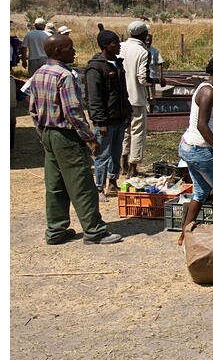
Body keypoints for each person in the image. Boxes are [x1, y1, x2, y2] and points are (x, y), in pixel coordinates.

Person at [28, 33, 122, 245]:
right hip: (67, 136)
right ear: (58, 51)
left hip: (49, 135)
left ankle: (56, 230)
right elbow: (73, 112)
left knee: (56, 185)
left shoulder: (39, 73)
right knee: (82, 184)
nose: (74, 51)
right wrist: (90, 138)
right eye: (70, 48)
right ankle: (94, 231)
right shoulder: (65, 76)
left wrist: (43, 134)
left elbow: (33, 109)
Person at [177, 56, 213, 245]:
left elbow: (206, 118)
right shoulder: (208, 93)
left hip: (189, 146)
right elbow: (202, 126)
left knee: (201, 191)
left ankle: (184, 235)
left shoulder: (210, 89)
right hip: (198, 149)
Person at [85, 27, 132, 200]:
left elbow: (123, 92)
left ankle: (113, 183)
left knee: (115, 152)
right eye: (115, 43)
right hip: (105, 121)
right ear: (105, 45)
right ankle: (99, 188)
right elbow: (94, 98)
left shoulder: (118, 65)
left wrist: (127, 112)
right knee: (102, 154)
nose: (119, 45)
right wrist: (100, 121)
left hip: (119, 118)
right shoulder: (95, 68)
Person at [118, 21, 157, 178]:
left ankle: (123, 165)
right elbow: (142, 78)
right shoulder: (143, 51)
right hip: (136, 98)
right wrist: (156, 81)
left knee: (124, 133)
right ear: (142, 34)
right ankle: (133, 168)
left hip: (121, 98)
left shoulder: (120, 47)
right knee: (137, 133)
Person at [144, 33, 167, 112]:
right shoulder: (141, 50)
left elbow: (160, 64)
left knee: (151, 97)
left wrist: (160, 77)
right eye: (146, 41)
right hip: (142, 78)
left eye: (149, 41)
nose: (148, 42)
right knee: (143, 96)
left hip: (151, 77)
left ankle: (151, 112)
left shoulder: (155, 51)